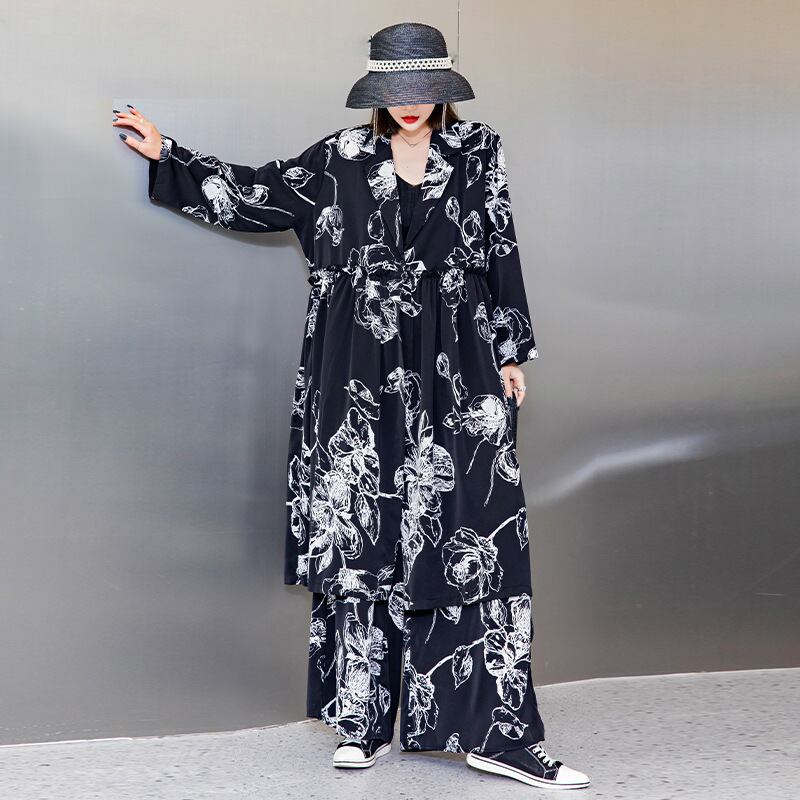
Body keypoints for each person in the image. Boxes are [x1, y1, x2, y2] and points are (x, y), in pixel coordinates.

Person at [113, 20, 590, 791]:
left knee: (471, 528)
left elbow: (500, 245)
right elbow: (259, 193)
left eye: (423, 90)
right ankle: (361, 721)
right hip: (356, 365)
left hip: (456, 358)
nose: (410, 104)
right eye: (396, 91)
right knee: (361, 525)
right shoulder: (338, 157)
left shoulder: (479, 151)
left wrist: (509, 350)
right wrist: (170, 154)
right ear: (376, 92)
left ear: (444, 90)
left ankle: (493, 732)